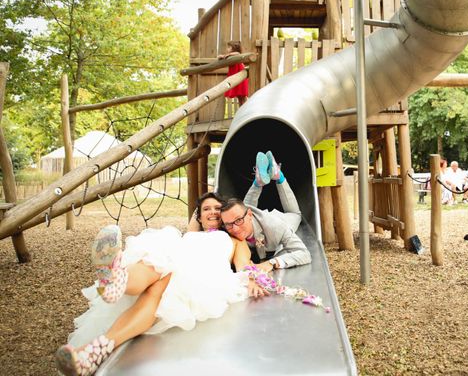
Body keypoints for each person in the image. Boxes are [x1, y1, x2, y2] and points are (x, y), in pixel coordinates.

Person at [55, 192, 268, 376]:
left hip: (201, 272)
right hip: (174, 258)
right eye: (205, 209)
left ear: (223, 216)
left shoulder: (234, 240)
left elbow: (243, 265)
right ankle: (116, 283)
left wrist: (252, 277)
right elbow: (187, 235)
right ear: (199, 216)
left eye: (216, 208)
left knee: (159, 287)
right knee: (157, 256)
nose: (212, 212)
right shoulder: (191, 235)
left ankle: (92, 345)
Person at [220, 151, 311, 273]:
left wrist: (272, 262)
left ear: (250, 215)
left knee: (295, 214)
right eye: (229, 224)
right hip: (256, 215)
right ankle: (258, 182)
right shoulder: (233, 222)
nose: (235, 229)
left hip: (281, 220)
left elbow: (304, 254)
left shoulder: (276, 227)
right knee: (245, 207)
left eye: (238, 221)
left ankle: (279, 176)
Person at [219, 40, 249, 106]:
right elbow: (222, 58)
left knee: (243, 97)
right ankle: (241, 111)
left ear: (233, 48)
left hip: (241, 78)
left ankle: (245, 110)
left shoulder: (236, 55)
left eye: (229, 47)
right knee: (239, 97)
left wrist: (228, 54)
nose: (227, 49)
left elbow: (238, 54)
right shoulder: (229, 57)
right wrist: (222, 57)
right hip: (235, 78)